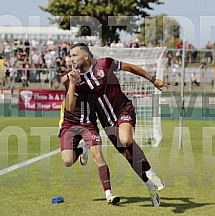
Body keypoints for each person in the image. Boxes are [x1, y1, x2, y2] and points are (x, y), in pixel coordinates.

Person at [63, 42, 166, 207]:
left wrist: (153, 80)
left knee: (126, 140)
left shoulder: (104, 64)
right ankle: (149, 185)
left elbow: (130, 68)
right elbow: (67, 100)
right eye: (70, 56)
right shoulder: (77, 80)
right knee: (128, 155)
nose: (71, 59)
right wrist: (70, 81)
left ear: (86, 56)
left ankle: (151, 173)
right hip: (107, 124)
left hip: (123, 110)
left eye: (74, 55)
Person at [60, 73, 120, 205]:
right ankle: (82, 150)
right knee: (67, 161)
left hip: (89, 125)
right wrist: (71, 78)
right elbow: (62, 80)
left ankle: (109, 194)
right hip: (70, 124)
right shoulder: (73, 75)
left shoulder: (96, 80)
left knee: (98, 156)